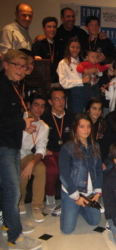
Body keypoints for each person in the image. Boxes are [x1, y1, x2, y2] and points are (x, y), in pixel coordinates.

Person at [0, 49, 41, 250]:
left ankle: (9, 224)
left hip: (11, 144)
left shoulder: (14, 85)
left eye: (24, 66)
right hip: (3, 145)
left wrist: (23, 124)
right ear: (5, 64)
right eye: (17, 65)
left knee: (8, 189)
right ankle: (15, 237)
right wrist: (22, 124)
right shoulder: (2, 87)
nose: (21, 69)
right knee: (12, 191)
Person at [59, 113, 102, 234]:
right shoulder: (67, 148)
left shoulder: (96, 146)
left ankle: (80, 209)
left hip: (90, 192)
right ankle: (70, 206)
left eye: (88, 126)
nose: (86, 130)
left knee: (95, 221)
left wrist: (98, 192)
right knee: (67, 230)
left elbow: (98, 170)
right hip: (72, 192)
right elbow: (64, 175)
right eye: (82, 126)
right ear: (75, 128)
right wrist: (76, 197)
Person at [41, 87, 75, 211]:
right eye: (56, 99)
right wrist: (43, 149)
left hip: (66, 151)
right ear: (50, 102)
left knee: (76, 167)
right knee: (52, 170)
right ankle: (50, 195)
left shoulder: (71, 115)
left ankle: (73, 194)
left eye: (62, 99)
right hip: (49, 151)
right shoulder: (44, 116)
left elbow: (75, 136)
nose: (61, 102)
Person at [19, 93, 49, 223]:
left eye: (42, 106)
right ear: (29, 105)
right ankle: (20, 201)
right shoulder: (19, 118)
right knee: (21, 176)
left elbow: (41, 149)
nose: (39, 109)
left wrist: (31, 163)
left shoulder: (43, 126)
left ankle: (37, 206)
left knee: (40, 168)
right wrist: (24, 129)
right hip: (11, 154)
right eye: (36, 105)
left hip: (25, 155)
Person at [57, 37, 90, 113]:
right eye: (73, 47)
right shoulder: (63, 63)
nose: (75, 50)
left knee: (89, 116)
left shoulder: (84, 61)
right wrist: (81, 81)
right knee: (76, 117)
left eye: (77, 47)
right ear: (68, 47)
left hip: (87, 90)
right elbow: (64, 83)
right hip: (75, 92)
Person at [32, 16, 60, 83]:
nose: (52, 29)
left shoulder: (59, 44)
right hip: (42, 80)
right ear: (43, 29)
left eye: (54, 27)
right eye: (49, 27)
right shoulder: (38, 44)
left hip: (57, 80)